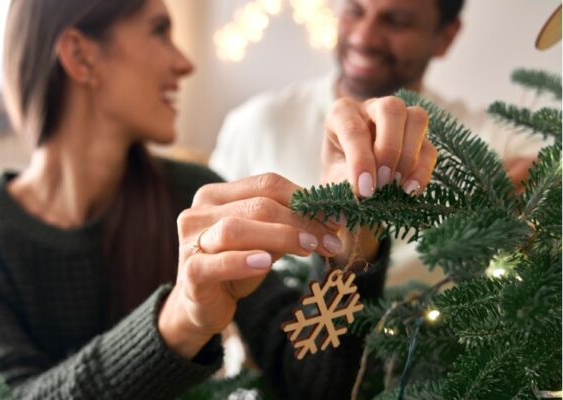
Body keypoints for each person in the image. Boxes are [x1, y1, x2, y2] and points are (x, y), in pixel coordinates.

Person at [0, 0, 436, 398]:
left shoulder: (189, 195)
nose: (185, 64)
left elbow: (311, 380)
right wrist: (180, 321)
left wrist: (352, 251)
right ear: (79, 54)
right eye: (160, 30)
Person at [209, 0, 542, 285]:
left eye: (396, 21)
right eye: (355, 10)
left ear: (445, 36)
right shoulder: (255, 125)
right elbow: (208, 256)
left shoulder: (491, 141)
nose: (363, 37)